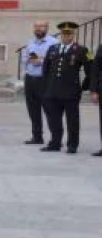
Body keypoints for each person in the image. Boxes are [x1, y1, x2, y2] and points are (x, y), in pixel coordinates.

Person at [41, 21, 90, 154]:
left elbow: (90, 69)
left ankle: (72, 145)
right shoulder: (52, 49)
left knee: (72, 121)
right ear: (61, 35)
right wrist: (46, 87)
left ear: (73, 35)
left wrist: (85, 86)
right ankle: (55, 143)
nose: (66, 36)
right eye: (64, 34)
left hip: (71, 92)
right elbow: (45, 69)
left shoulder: (82, 50)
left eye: (69, 34)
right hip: (53, 91)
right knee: (54, 119)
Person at [21, 21, 58, 144]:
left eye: (41, 27)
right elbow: (24, 59)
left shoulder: (54, 43)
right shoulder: (30, 42)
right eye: (36, 26)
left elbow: (55, 62)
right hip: (30, 78)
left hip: (45, 80)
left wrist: (40, 61)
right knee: (33, 110)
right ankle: (37, 136)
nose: (38, 29)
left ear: (47, 28)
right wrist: (28, 63)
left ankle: (55, 138)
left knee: (50, 110)